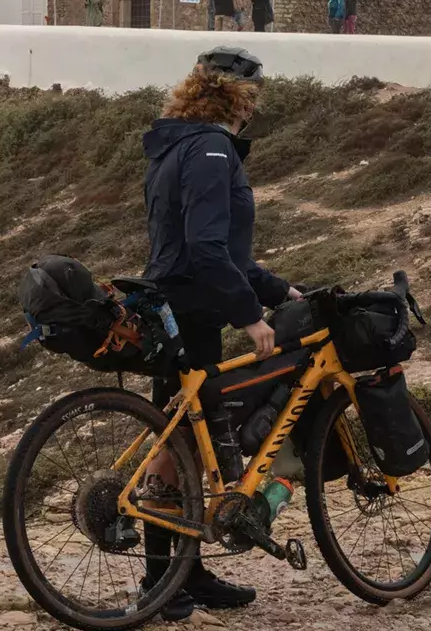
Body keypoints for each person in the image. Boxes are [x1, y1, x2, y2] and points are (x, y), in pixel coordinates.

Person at [136, 46, 300, 621]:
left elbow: (218, 251)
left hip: (172, 303)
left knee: (184, 435)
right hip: (193, 308)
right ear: (244, 101)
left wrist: (278, 291)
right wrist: (251, 317)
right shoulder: (210, 148)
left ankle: (185, 572)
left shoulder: (179, 142)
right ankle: (161, 583)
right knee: (180, 441)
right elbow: (206, 251)